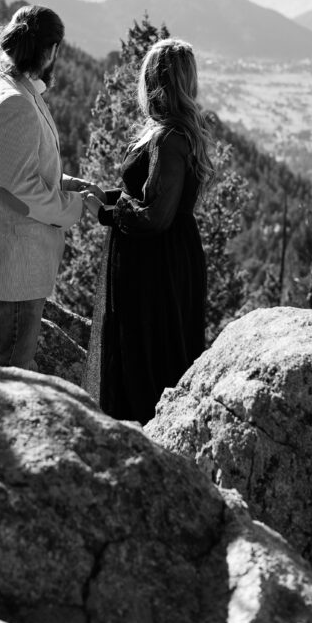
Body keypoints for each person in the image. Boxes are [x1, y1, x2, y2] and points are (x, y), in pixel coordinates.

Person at [0, 4, 102, 369]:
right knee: (9, 367)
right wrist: (74, 207)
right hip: (13, 265)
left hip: (3, 254)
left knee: (1, 358)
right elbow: (18, 191)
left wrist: (69, 183)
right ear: (51, 51)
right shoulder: (14, 103)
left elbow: (12, 171)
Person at [82, 38, 214, 424]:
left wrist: (106, 213)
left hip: (158, 266)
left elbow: (156, 216)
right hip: (147, 257)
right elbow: (140, 193)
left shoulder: (171, 139)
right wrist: (103, 194)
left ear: (154, 80)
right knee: (133, 347)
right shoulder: (159, 131)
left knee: (149, 353)